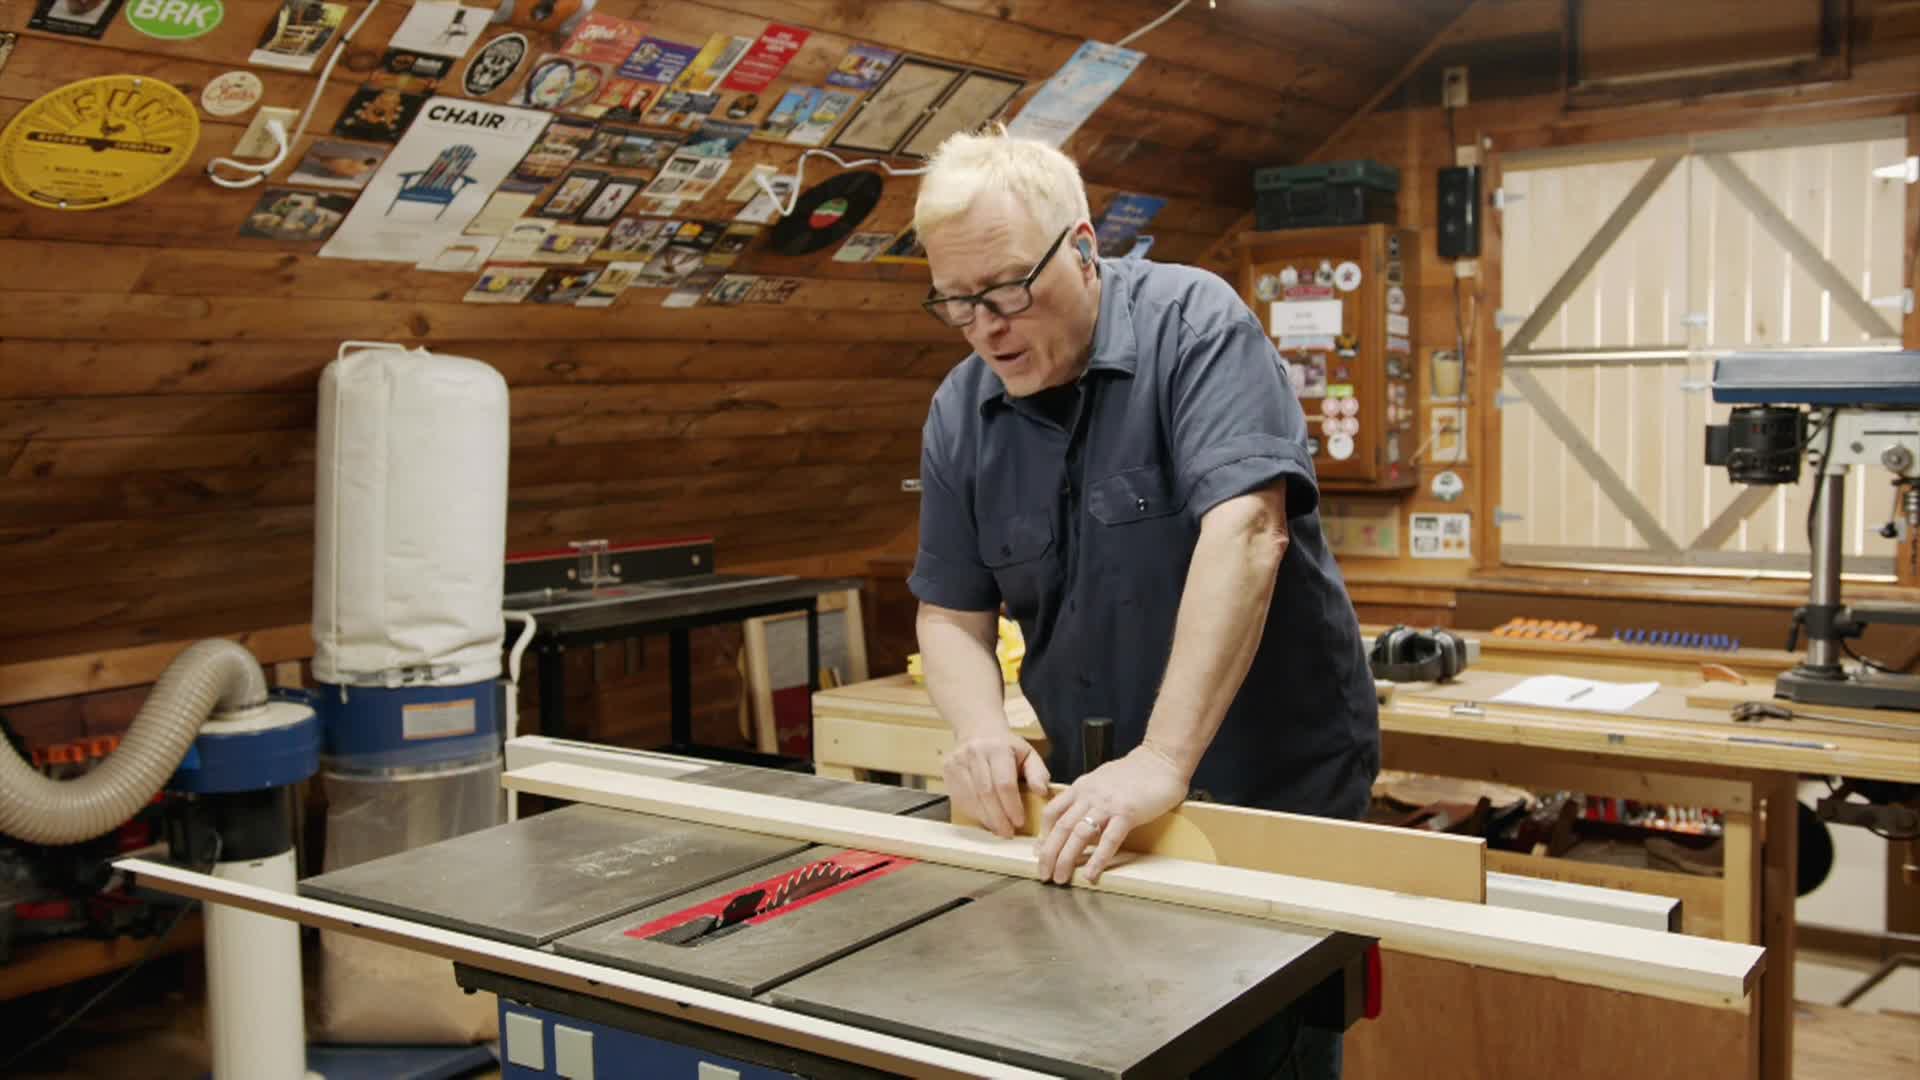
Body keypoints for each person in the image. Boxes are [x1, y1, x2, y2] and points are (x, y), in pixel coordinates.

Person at [906, 129, 1380, 1079]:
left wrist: (1164, 757)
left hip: (1264, 781)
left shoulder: (1195, 326)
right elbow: (951, 612)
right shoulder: (963, 409)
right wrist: (983, 730)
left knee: (1257, 1052)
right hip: (1100, 802)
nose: (986, 327)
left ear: (1081, 247)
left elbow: (1248, 531)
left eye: (1005, 291)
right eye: (956, 303)